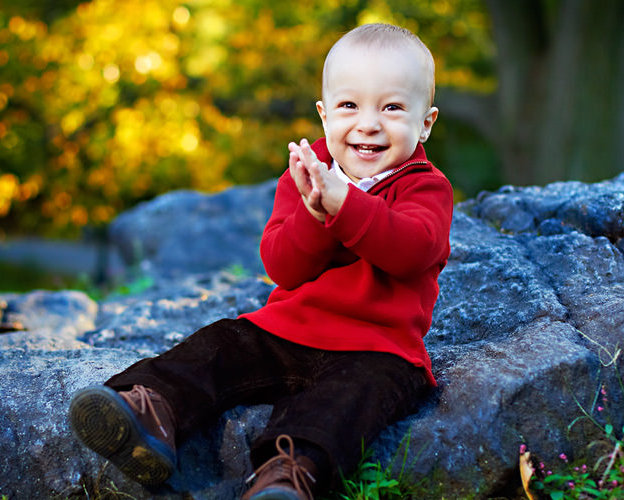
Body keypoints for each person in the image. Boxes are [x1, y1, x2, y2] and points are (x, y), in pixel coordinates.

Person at [69, 22, 453, 500]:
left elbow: (414, 250)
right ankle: (152, 410)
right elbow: (282, 267)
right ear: (324, 113)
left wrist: (347, 208)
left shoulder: (424, 185)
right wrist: (315, 215)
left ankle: (286, 475)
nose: (369, 123)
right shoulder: (307, 173)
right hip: (290, 329)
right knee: (219, 345)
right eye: (349, 105)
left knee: (342, 405)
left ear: (426, 123)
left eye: (393, 107)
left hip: (378, 349)